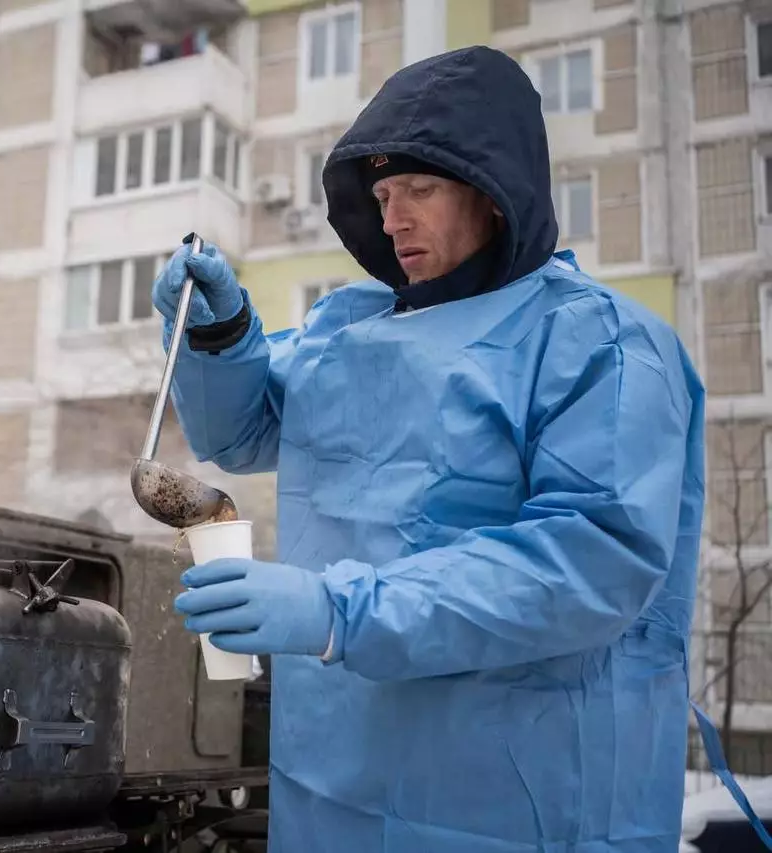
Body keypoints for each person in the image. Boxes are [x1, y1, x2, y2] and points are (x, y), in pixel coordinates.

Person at [153, 45, 714, 852]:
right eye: (381, 194)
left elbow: (591, 559)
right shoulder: (351, 329)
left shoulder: (602, 342)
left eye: (419, 187)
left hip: (520, 806)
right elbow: (243, 433)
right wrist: (220, 332)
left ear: (493, 193)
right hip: (329, 791)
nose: (391, 218)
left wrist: (339, 610)